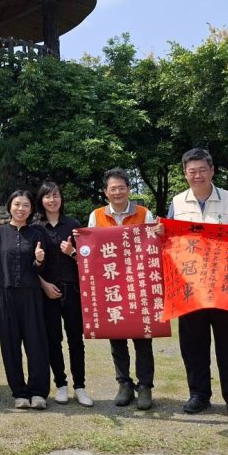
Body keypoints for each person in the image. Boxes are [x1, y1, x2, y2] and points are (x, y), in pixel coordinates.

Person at [167, 148, 228, 420]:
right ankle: (199, 394)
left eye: (202, 170)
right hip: (189, 286)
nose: (197, 175)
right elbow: (170, 239)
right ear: (185, 174)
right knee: (192, 342)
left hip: (223, 286)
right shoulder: (178, 202)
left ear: (212, 171)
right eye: (191, 171)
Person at [87, 168, 157, 410]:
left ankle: (145, 385)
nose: (117, 192)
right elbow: (92, 251)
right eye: (112, 188)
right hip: (110, 283)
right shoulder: (96, 216)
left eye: (121, 188)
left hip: (138, 283)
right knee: (116, 336)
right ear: (105, 192)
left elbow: (152, 246)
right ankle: (124, 383)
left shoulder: (144, 213)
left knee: (142, 336)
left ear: (128, 189)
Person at [0, 190, 50, 409]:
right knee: (10, 344)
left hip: (32, 294)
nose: (21, 209)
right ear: (10, 206)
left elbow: (41, 268)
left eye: (26, 206)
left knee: (36, 343)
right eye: (17, 204)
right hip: (6, 293)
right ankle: (19, 392)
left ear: (31, 209)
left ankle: (38, 392)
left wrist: (39, 260)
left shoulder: (37, 233)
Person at [34, 181, 91, 407]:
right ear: (41, 200)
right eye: (47, 196)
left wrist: (73, 252)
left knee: (76, 340)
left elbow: (88, 260)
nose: (52, 200)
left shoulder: (73, 225)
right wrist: (44, 285)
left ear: (61, 198)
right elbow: (31, 263)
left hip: (73, 290)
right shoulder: (36, 227)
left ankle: (80, 387)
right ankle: (61, 385)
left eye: (56, 195)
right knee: (53, 340)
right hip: (47, 291)